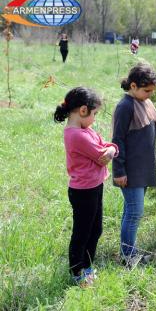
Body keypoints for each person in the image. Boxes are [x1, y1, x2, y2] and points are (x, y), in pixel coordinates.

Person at [112, 63, 156, 268]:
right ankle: (129, 257)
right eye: (146, 90)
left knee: (131, 211)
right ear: (133, 86)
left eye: (151, 91)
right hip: (130, 170)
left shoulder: (144, 104)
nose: (149, 95)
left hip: (143, 168)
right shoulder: (125, 107)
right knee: (134, 213)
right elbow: (118, 140)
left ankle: (130, 252)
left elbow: (152, 130)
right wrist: (119, 170)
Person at [54, 87, 118, 286]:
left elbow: (108, 147)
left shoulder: (86, 130)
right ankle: (76, 272)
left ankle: (87, 267)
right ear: (83, 110)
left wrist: (110, 148)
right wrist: (109, 150)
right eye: (95, 114)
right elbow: (102, 158)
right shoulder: (77, 135)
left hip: (94, 187)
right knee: (82, 232)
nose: (95, 119)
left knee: (95, 229)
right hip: (84, 192)